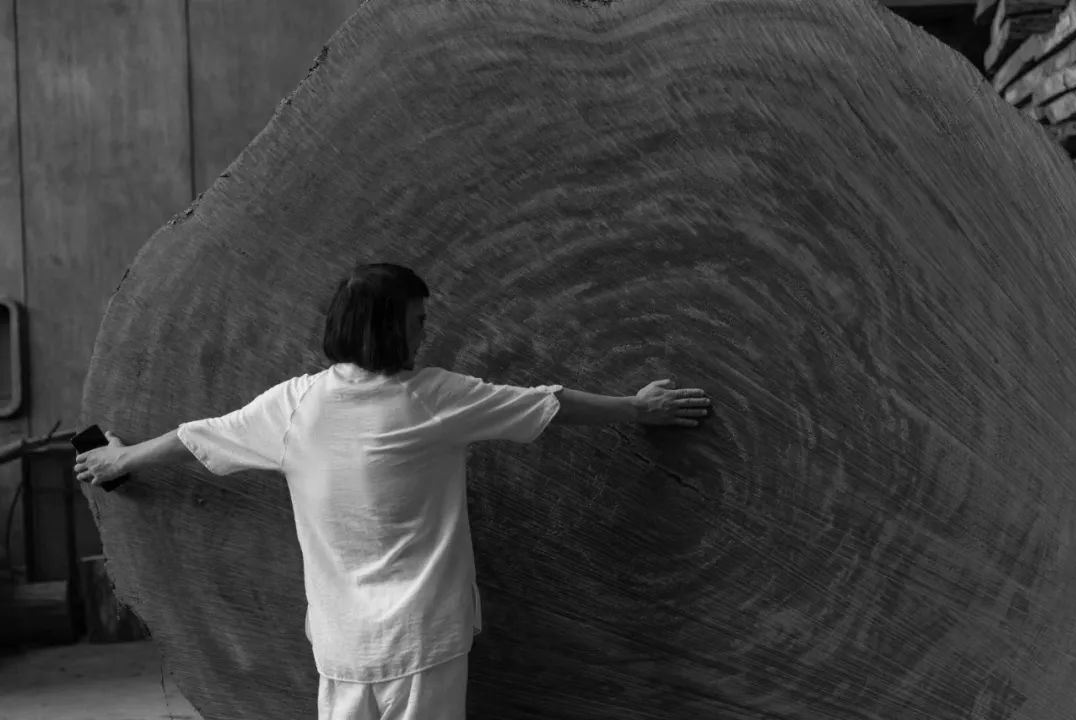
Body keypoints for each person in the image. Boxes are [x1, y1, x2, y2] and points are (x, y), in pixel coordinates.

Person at [73, 262, 712, 720]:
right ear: (387, 329)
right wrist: (636, 408)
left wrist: (121, 457)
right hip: (425, 640)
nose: (424, 334)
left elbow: (197, 436)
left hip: (342, 647)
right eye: (417, 321)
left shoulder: (293, 408)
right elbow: (550, 403)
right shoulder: (435, 398)